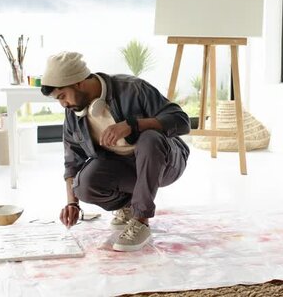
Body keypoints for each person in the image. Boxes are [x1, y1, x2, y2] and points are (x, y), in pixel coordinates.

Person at [40, 51, 190, 252]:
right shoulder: (73, 114)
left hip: (165, 162)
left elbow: (182, 121)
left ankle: (141, 220)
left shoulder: (133, 88)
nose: (63, 104)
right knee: (83, 184)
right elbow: (72, 163)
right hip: (126, 168)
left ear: (78, 82)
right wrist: (72, 204)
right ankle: (129, 206)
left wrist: (133, 125)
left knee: (149, 138)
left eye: (62, 96)